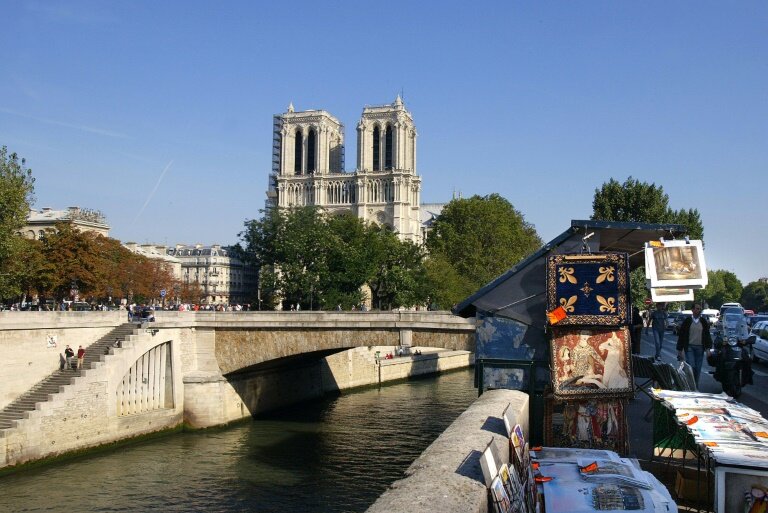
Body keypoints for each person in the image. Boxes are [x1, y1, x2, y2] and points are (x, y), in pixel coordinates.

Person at [676, 303, 713, 389]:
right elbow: (682, 335)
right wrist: (679, 349)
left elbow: (707, 335)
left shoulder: (703, 321)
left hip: (700, 348)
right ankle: (690, 385)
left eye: (699, 309)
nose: (698, 310)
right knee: (691, 366)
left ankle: (695, 386)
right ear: (692, 310)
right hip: (689, 347)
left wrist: (708, 349)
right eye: (697, 308)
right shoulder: (688, 321)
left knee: (698, 368)